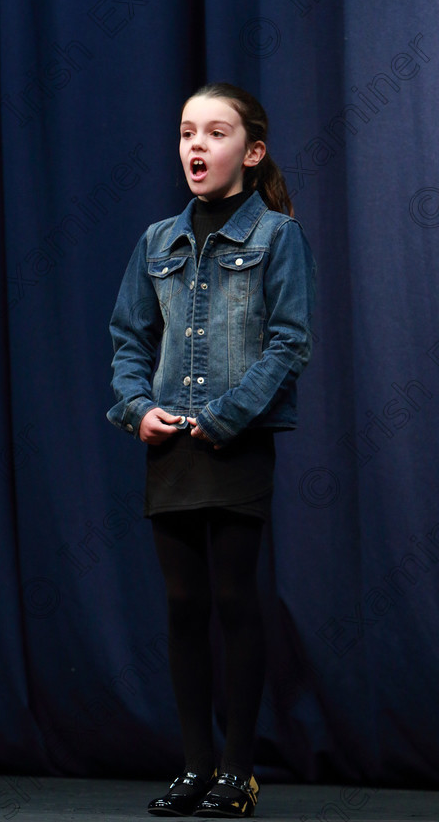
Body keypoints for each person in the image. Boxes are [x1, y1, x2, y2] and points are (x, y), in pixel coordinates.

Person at [106, 82, 315, 818]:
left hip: (234, 443)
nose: (197, 145)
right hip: (170, 450)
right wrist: (138, 410)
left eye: (216, 133)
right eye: (188, 132)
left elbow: (290, 342)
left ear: (251, 153)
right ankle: (195, 767)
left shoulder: (275, 237)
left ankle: (237, 770)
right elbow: (130, 338)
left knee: (233, 600)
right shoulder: (157, 240)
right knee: (184, 604)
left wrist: (222, 417)